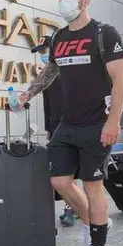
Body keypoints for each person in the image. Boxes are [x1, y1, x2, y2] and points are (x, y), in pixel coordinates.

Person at [19, 0, 123, 246]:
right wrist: (29, 92)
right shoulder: (58, 38)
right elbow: (51, 71)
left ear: (85, 0)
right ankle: (93, 223)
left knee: (93, 185)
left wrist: (113, 120)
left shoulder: (104, 34)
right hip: (68, 123)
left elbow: (120, 79)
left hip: (97, 122)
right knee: (60, 182)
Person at [39, 38, 77, 227]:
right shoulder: (47, 76)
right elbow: (47, 105)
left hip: (71, 125)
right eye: (40, 53)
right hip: (55, 127)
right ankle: (73, 207)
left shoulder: (68, 73)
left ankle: (71, 209)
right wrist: (48, 128)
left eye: (44, 51)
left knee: (68, 170)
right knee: (63, 170)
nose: (42, 56)